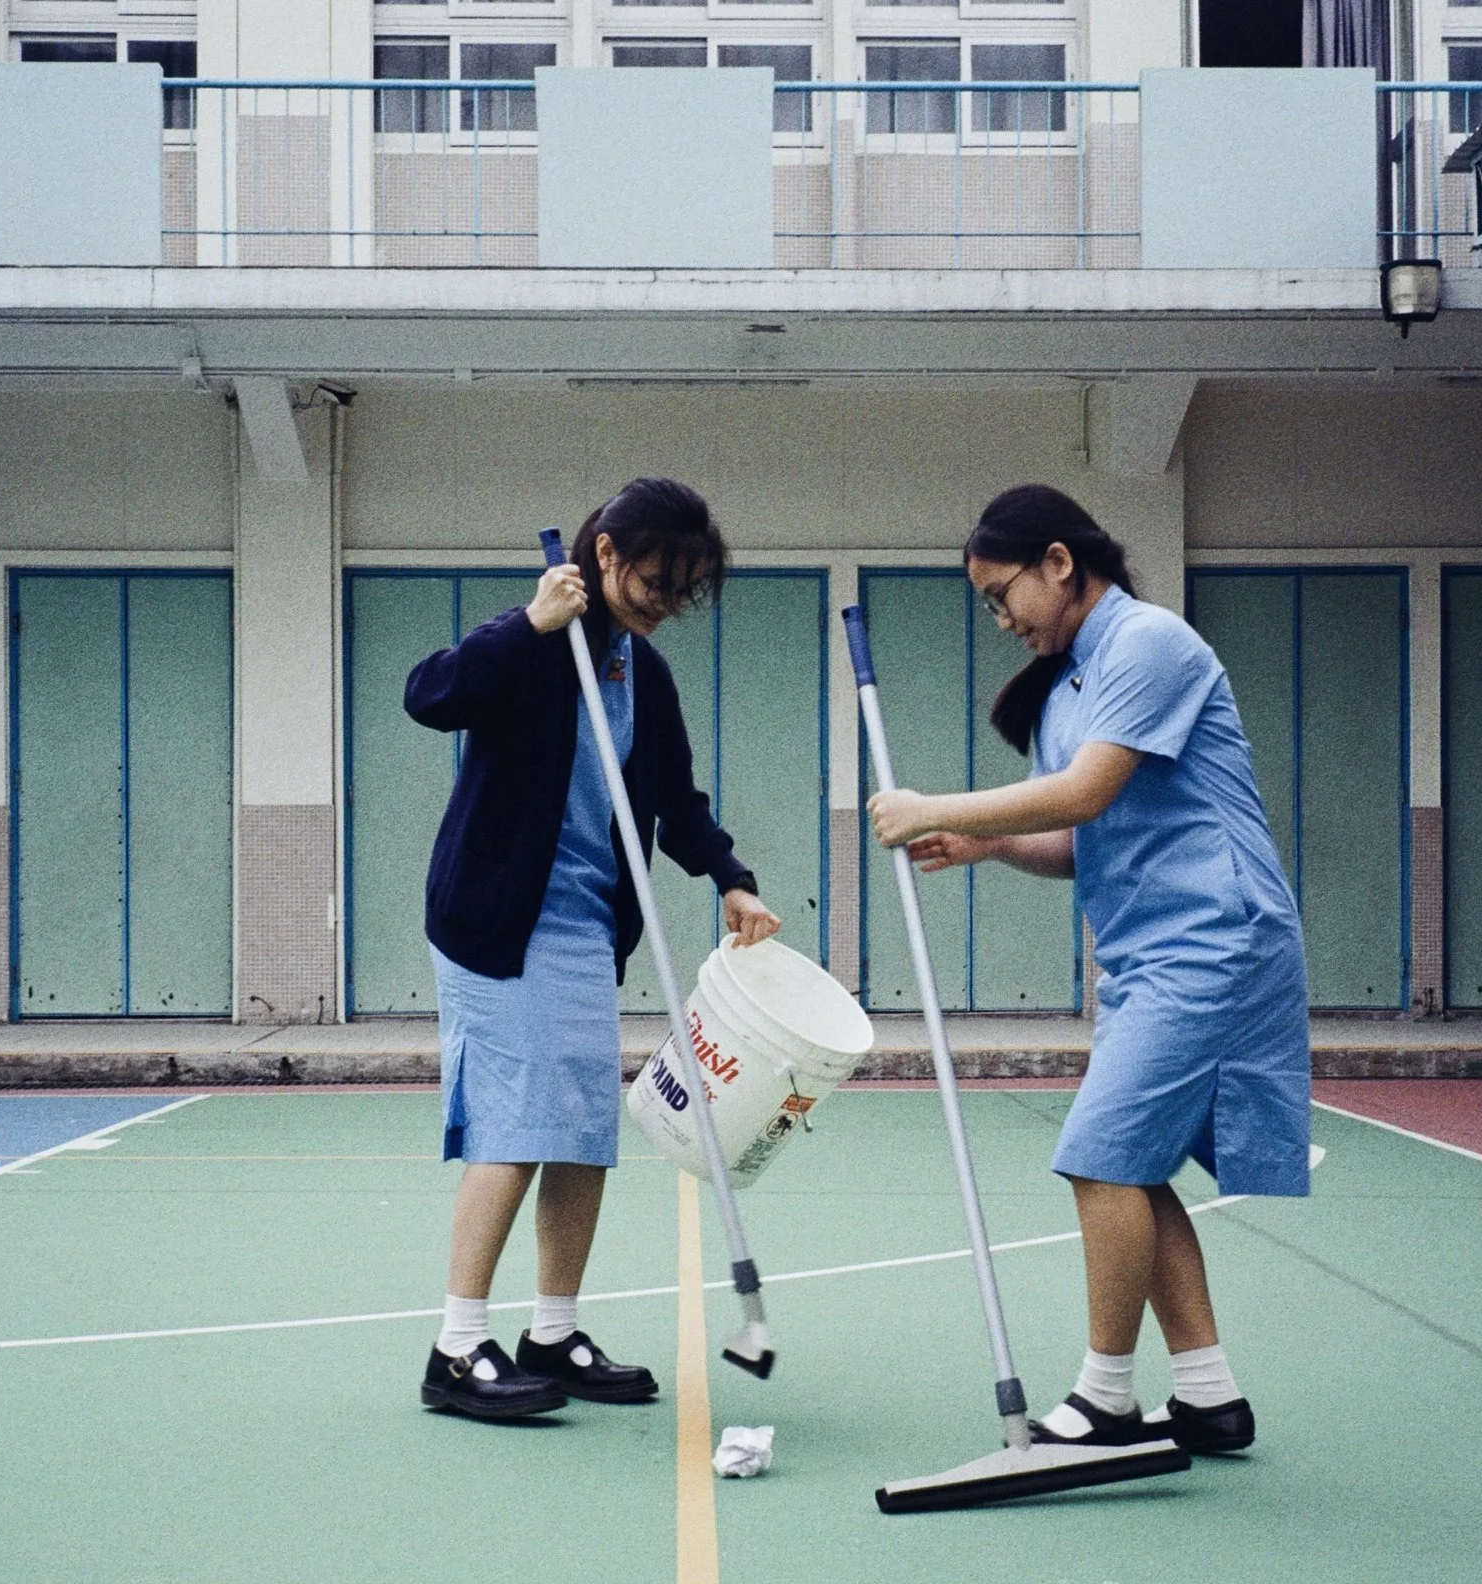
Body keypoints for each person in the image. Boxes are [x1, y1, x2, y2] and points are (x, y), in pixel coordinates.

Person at [864, 483, 1310, 1454]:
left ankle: (1105, 1396)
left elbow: (1083, 789)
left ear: (1059, 563)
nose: (1000, 619)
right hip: (1146, 954)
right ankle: (1207, 1393)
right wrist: (982, 845)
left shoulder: (1147, 643)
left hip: (1213, 938)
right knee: (1134, 1170)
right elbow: (1077, 836)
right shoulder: (1068, 689)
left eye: (1001, 594)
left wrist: (932, 801)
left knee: (1099, 1154)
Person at [405, 477, 782, 1422]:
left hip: (582, 926)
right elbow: (430, 695)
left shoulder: (639, 673)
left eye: (683, 590)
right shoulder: (533, 643)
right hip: (498, 923)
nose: (665, 603)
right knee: (517, 1123)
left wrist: (731, 877)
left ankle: (553, 1331)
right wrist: (528, 625)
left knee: (579, 1131)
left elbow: (678, 799)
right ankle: (455, 1348)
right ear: (606, 555)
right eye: (656, 581)